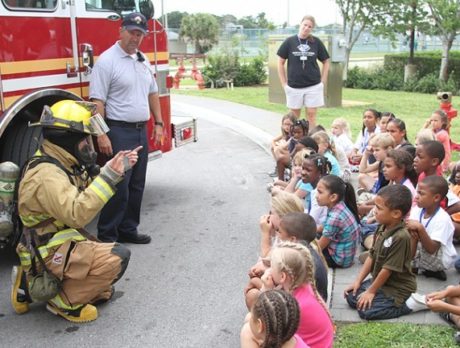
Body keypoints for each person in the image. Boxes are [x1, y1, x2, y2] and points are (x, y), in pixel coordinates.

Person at [11, 100, 135, 322]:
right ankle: (63, 302)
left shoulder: (63, 161)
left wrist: (113, 171)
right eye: (85, 139)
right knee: (116, 259)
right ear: (68, 139)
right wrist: (108, 177)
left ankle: (29, 282)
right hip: (47, 248)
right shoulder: (47, 175)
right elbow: (77, 213)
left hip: (53, 241)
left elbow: (84, 193)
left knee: (104, 290)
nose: (90, 145)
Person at [90, 12, 163, 244]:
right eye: (132, 32)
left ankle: (128, 230)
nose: (136, 37)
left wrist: (158, 123)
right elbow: (96, 102)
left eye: (140, 33)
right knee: (118, 187)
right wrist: (101, 133)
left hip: (140, 130)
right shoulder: (106, 61)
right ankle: (107, 237)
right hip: (119, 131)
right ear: (120, 31)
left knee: (136, 185)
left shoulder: (142, 60)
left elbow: (153, 92)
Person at [344, 185, 418, 320]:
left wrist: (371, 291)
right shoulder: (382, 226)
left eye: (379, 208)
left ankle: (409, 304)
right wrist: (358, 282)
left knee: (366, 312)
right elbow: (371, 256)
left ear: (396, 214)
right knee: (351, 297)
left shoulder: (401, 237)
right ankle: (375, 294)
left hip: (397, 287)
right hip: (382, 282)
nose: (374, 211)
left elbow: (388, 269)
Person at [261, 242, 334, 348]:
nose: (268, 270)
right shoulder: (304, 285)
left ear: (282, 276)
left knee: (249, 331)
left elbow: (264, 322)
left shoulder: (294, 305)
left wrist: (266, 290)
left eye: (271, 266)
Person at [277, 15, 330, 127]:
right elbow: (280, 62)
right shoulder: (289, 41)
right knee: (294, 116)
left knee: (311, 115)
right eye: (305, 25)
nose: (306, 28)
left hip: (313, 85)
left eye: (310, 26)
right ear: (300, 24)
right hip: (294, 86)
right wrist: (284, 84)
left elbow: (326, 61)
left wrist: (323, 81)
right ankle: (294, 140)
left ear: (312, 29)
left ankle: (310, 140)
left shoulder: (316, 42)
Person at [407, 176, 457, 281]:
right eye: (417, 192)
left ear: (436, 198)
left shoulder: (442, 219)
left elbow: (432, 249)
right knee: (407, 235)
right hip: (421, 248)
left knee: (413, 235)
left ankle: (429, 270)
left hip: (438, 257)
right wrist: (413, 232)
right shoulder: (417, 210)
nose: (416, 197)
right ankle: (409, 264)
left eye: (421, 193)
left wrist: (420, 229)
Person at [316, 175, 360, 268]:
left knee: (308, 248)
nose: (316, 196)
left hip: (338, 259)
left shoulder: (335, 217)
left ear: (333, 197)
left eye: (320, 192)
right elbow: (322, 227)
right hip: (345, 255)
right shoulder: (338, 206)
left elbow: (320, 247)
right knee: (310, 235)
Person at [240, 290, 309, 348]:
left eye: (252, 315)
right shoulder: (293, 339)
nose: (250, 316)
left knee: (246, 330)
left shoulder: (247, 332)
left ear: (259, 325)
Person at [300, 154, 330, 230]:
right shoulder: (318, 188)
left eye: (308, 170)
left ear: (319, 173)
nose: (303, 172)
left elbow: (311, 221)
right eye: (303, 168)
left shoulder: (318, 193)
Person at [270, 112, 297, 177]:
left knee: (278, 149)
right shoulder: (285, 134)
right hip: (287, 154)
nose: (287, 127)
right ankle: (278, 167)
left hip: (293, 157)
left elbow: (284, 147)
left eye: (289, 124)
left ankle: (281, 169)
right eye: (285, 124)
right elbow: (273, 140)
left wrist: (277, 148)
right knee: (273, 148)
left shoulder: (294, 134)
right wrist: (275, 147)